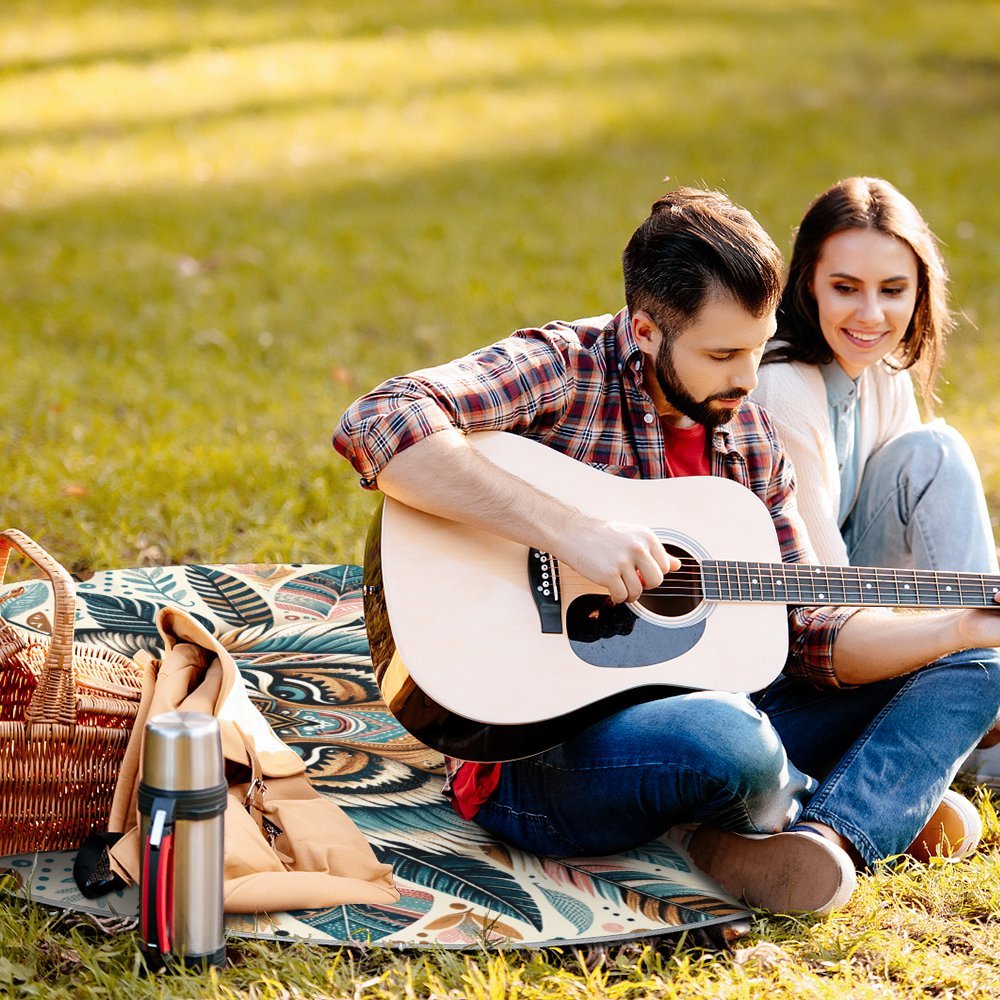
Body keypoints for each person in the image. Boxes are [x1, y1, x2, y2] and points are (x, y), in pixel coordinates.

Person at [333, 187, 1000, 916]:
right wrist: (569, 530)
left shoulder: (748, 435)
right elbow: (380, 419)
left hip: (730, 707)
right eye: (722, 354)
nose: (748, 380)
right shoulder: (564, 367)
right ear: (646, 330)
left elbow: (809, 629)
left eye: (757, 346)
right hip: (538, 753)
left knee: (980, 665)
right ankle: (847, 797)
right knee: (728, 741)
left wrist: (956, 628)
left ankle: (831, 836)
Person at [753, 176, 1000, 793]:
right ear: (807, 281)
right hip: (793, 644)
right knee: (937, 451)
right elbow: (823, 601)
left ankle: (977, 698)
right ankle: (977, 705)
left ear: (920, 292)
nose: (872, 315)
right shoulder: (783, 386)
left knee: (932, 451)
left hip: (856, 606)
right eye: (845, 288)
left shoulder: (881, 370)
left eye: (893, 290)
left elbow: (921, 519)